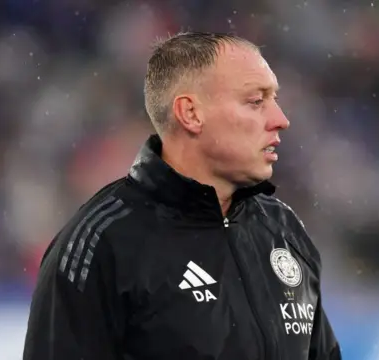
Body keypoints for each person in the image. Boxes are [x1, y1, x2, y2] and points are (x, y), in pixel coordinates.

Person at [23, 31, 342, 360]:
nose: (281, 120)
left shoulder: (283, 230)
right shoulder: (102, 243)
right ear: (190, 113)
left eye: (274, 99)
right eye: (256, 101)